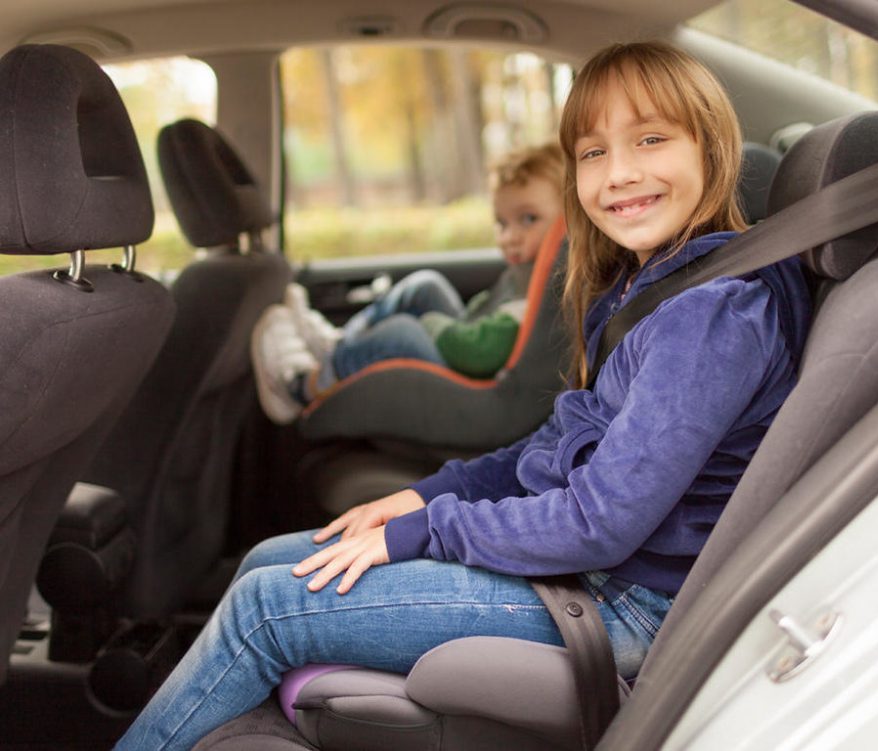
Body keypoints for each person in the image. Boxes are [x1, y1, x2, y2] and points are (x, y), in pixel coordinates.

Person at [115, 40, 812, 750]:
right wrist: (423, 495)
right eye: (593, 152)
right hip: (590, 576)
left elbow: (601, 522)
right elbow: (553, 441)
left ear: (714, 150)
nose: (619, 173)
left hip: (621, 603)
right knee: (271, 559)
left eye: (651, 139)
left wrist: (429, 527)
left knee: (266, 606)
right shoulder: (655, 285)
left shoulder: (709, 316)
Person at [251, 141, 565, 424]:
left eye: (528, 219)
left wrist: (432, 324)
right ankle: (340, 344)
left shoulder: (555, 288)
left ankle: (299, 387)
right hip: (473, 346)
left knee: (403, 333)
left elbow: (477, 352)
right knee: (425, 286)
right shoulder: (528, 270)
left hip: (479, 385)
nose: (508, 237)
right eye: (501, 223)